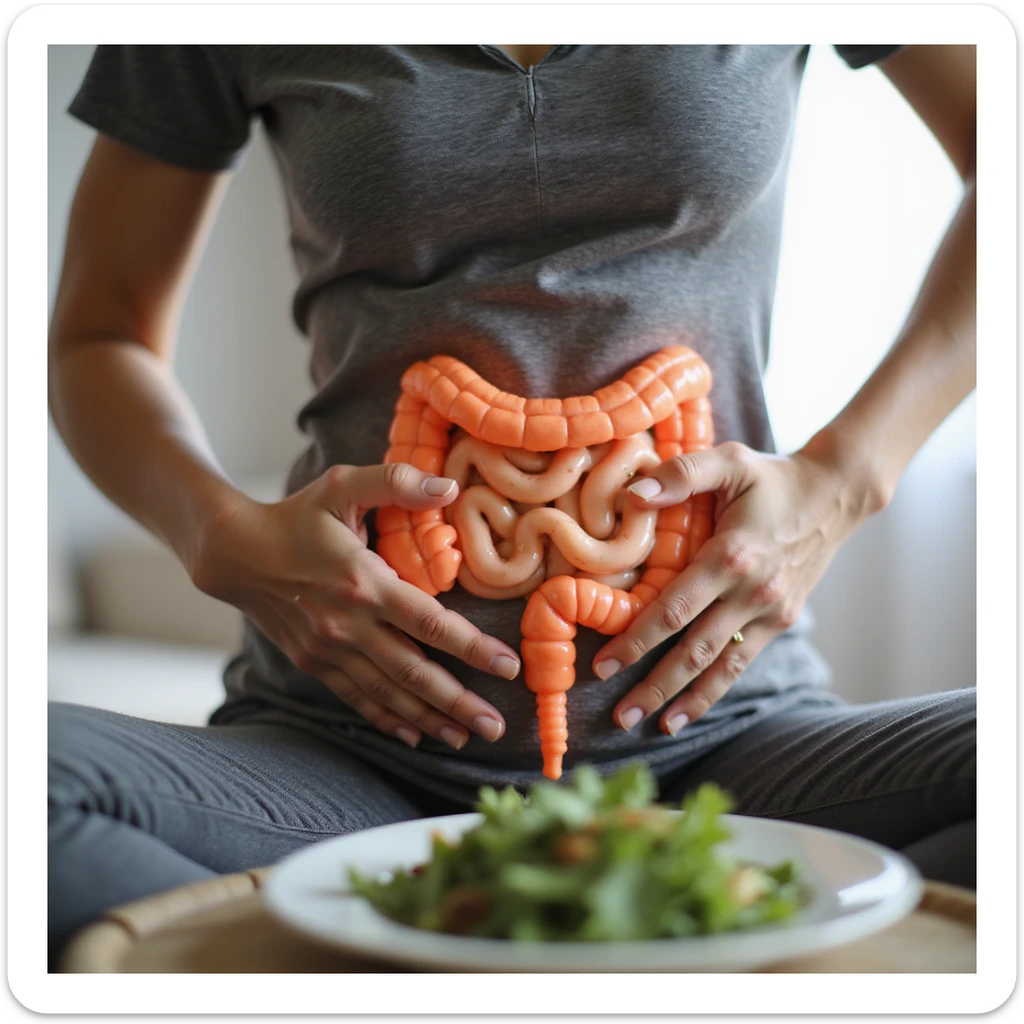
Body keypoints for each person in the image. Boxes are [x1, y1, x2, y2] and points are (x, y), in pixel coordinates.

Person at [48, 44, 976, 960]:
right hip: (348, 756)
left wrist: (848, 478)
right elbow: (101, 333)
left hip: (729, 744)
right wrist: (213, 531)